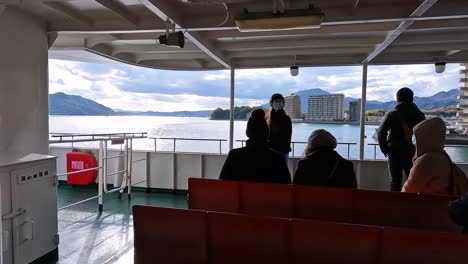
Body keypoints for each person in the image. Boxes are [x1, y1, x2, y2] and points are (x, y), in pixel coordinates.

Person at [219, 108, 291, 184]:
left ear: (248, 132)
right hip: (269, 196)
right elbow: (288, 186)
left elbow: (222, 182)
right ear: (266, 132)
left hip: (241, 196)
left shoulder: (234, 155)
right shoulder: (278, 159)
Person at [402, 117, 468, 195]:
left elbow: (408, 190)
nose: (415, 143)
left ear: (425, 138)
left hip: (429, 206)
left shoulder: (427, 160)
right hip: (442, 205)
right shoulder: (443, 156)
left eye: (417, 138)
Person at [377, 87, 425, 191]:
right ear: (412, 98)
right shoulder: (420, 115)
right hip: (413, 152)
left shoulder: (393, 114)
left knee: (395, 181)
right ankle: (410, 204)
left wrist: (385, 149)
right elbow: (423, 135)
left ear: (398, 98)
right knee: (412, 180)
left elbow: (381, 132)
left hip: (394, 151)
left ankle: (395, 205)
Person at [293, 129, 357, 188]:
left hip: (311, 199)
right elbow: (353, 191)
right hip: (338, 200)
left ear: (311, 144)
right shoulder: (347, 165)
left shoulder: (304, 164)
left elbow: (296, 190)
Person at [266, 93, 292, 159]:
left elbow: (287, 136)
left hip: (283, 152)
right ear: (271, 103)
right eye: (276, 101)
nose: (278, 103)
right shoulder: (267, 118)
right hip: (270, 151)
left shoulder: (286, 119)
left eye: (280, 101)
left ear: (283, 103)